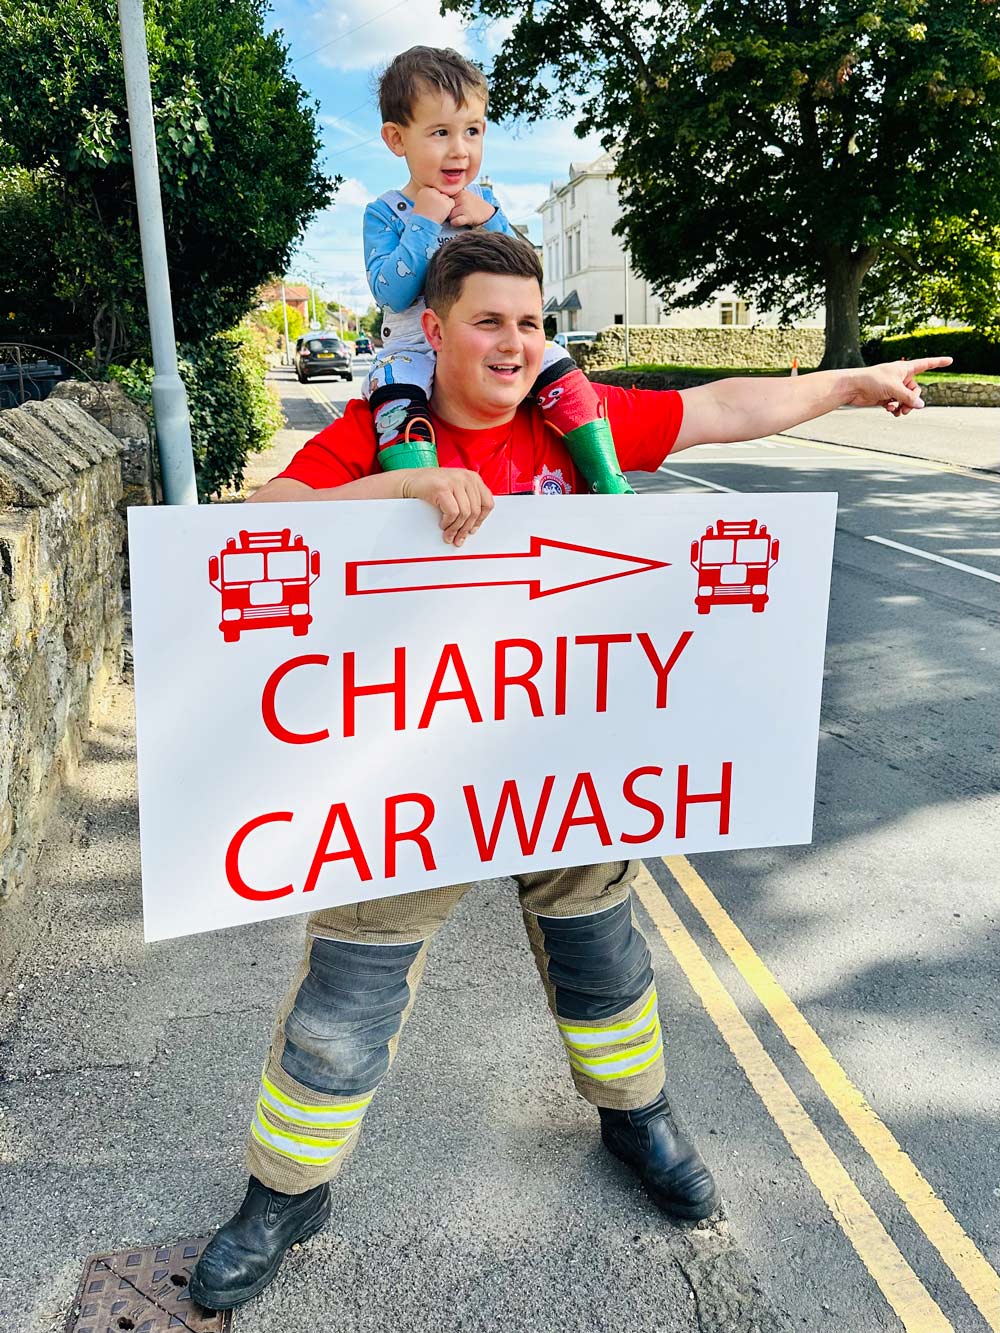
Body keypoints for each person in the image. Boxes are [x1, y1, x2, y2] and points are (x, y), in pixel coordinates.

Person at [188, 232, 949, 1311]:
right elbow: (257, 521)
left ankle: (635, 1119)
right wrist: (403, 494)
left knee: (605, 964)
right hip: (417, 775)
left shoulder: (569, 419)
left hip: (567, 769)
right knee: (345, 993)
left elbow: (725, 407)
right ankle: (286, 1191)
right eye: (488, 321)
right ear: (437, 329)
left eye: (529, 323)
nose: (512, 342)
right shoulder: (374, 436)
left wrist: (852, 384)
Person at [363, 44, 632, 494]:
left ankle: (608, 478)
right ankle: (424, 491)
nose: (459, 150)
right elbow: (391, 293)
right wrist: (424, 222)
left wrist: (491, 221)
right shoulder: (386, 213)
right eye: (440, 133)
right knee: (393, 396)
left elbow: (524, 275)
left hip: (485, 349)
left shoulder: (485, 209)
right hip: (412, 350)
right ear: (396, 139)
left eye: (472, 131)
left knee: (561, 366)